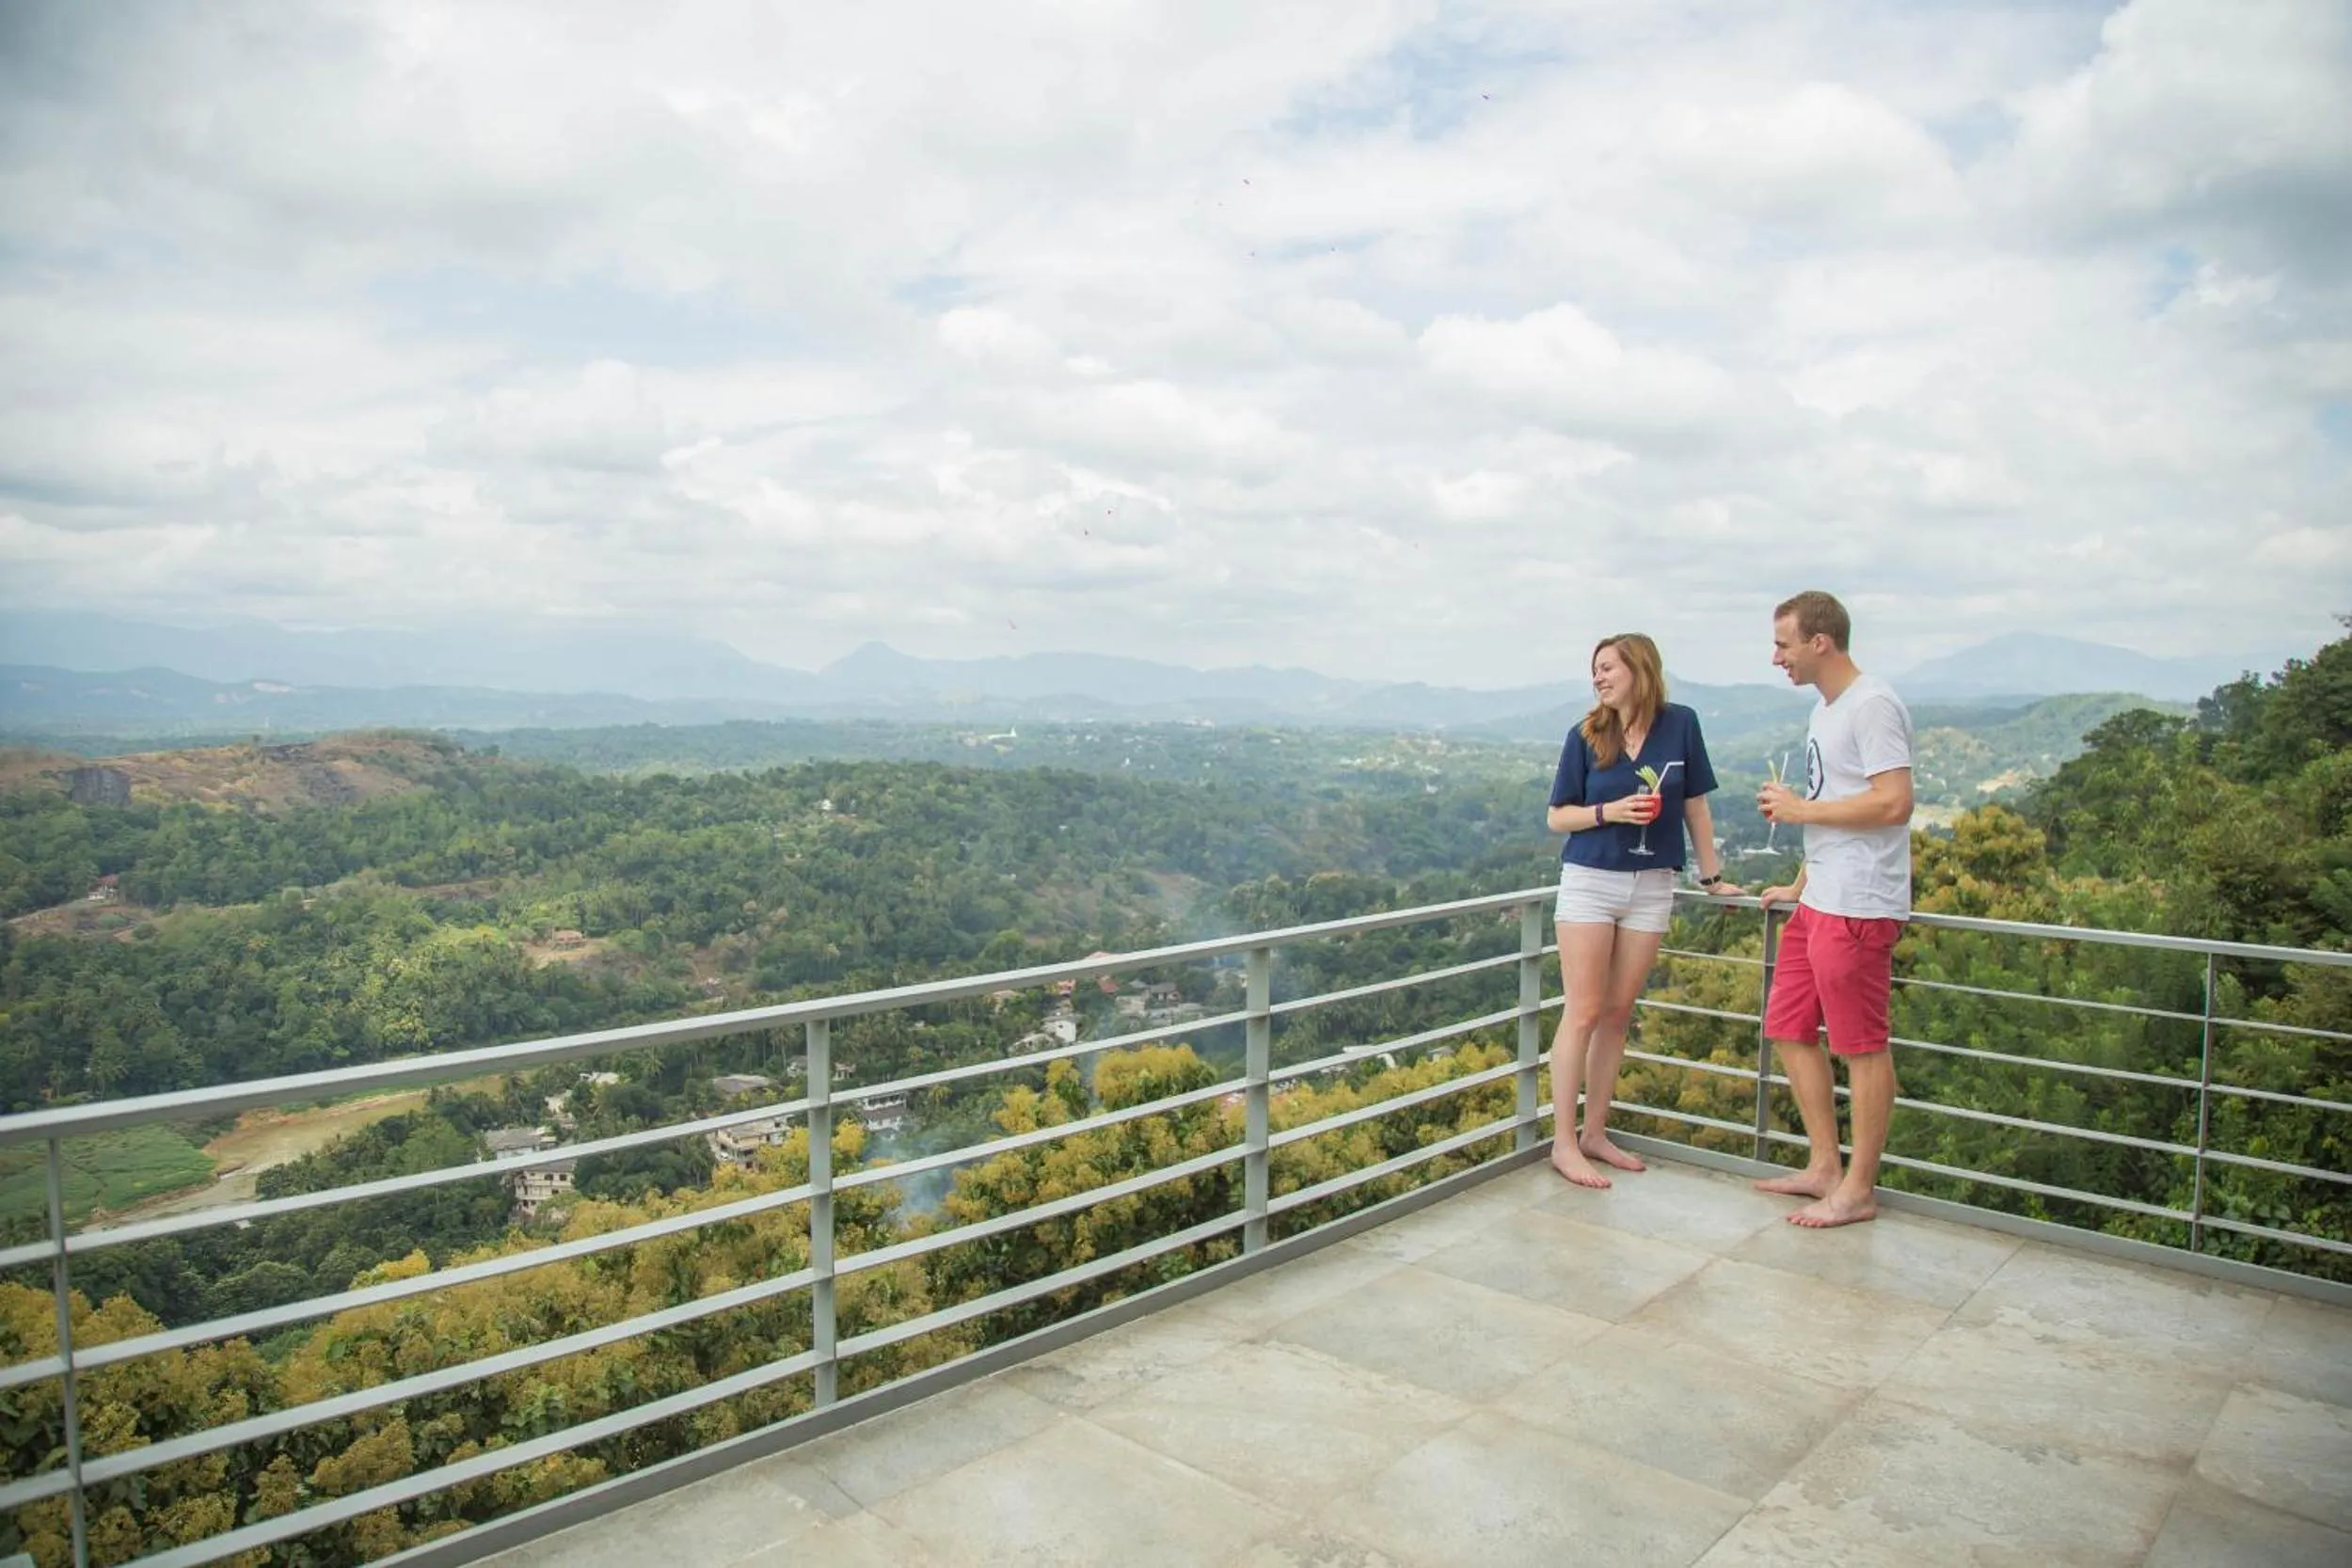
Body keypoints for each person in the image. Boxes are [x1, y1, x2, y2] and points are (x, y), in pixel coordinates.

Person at [1546, 632, 1742, 1189]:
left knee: (1617, 1012)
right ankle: (1563, 1141)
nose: (1599, 678)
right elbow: (1559, 817)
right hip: (1589, 882)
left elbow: (1695, 807)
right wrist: (1609, 811)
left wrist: (1712, 878)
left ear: (1638, 668)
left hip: (1654, 884)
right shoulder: (1585, 735)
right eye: (1595, 670)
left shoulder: (1680, 724)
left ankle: (1595, 1133)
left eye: (1608, 668)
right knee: (1582, 1011)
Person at [1754, 590, 1915, 1227]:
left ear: (1820, 641)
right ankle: (1824, 1164)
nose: (1776, 658)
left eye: (1783, 643)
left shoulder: (1872, 703)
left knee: (1861, 1045)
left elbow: (1893, 802)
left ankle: (1858, 1186)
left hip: (1860, 903)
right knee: (1788, 1025)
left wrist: (1799, 810)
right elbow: (1835, 803)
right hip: (1820, 898)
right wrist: (1799, 882)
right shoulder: (1828, 710)